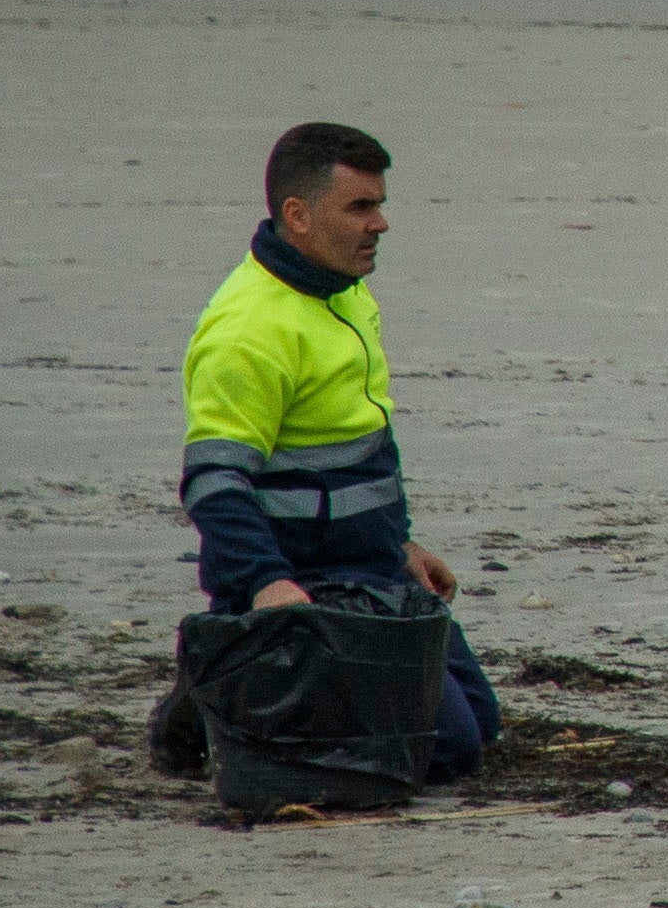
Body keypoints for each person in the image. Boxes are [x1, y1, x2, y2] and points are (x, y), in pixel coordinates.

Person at [149, 120, 499, 787]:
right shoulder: (248, 331)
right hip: (298, 585)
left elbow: (362, 450)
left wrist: (401, 542)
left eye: (380, 204)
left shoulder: (346, 292)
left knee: (478, 726)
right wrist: (268, 585)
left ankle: (229, 688)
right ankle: (223, 682)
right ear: (298, 216)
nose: (380, 224)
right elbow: (214, 484)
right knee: (446, 749)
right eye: (360, 207)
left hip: (372, 570)